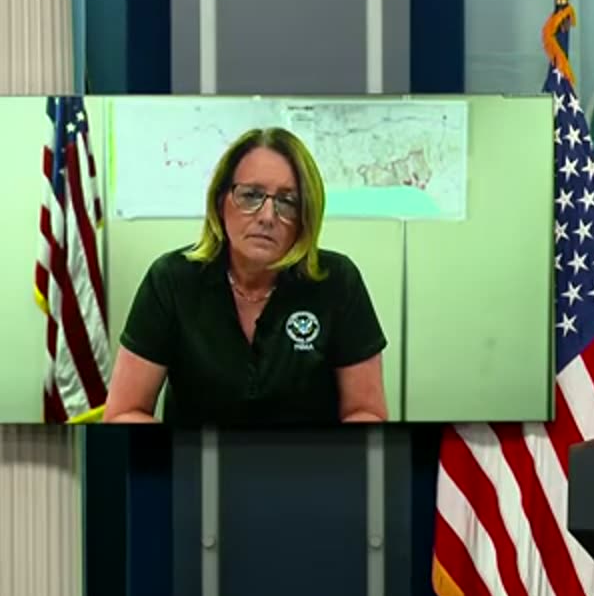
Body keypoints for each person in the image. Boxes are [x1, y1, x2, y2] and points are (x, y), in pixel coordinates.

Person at [103, 127, 389, 425]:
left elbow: (366, 413)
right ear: (220, 202)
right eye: (251, 195)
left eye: (287, 201)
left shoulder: (337, 281)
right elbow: (124, 413)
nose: (267, 216)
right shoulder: (172, 280)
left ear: (306, 215)